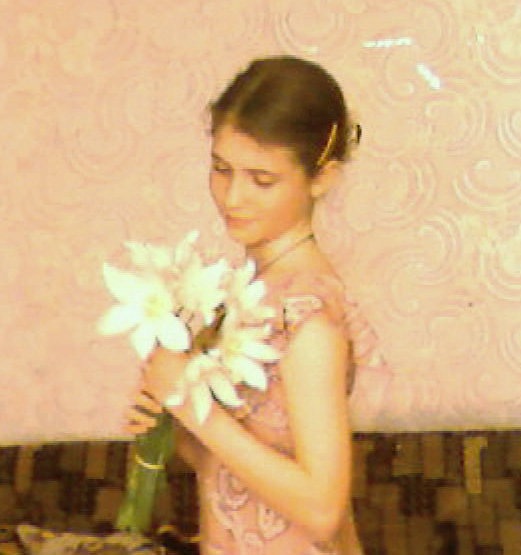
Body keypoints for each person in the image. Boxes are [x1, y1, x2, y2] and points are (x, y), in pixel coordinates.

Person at [126, 56, 369, 554]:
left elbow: (322, 510)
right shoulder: (251, 291)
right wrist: (170, 423)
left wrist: (192, 410)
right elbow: (235, 473)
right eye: (221, 170)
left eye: (262, 179)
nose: (232, 197)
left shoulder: (308, 316)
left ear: (322, 178)